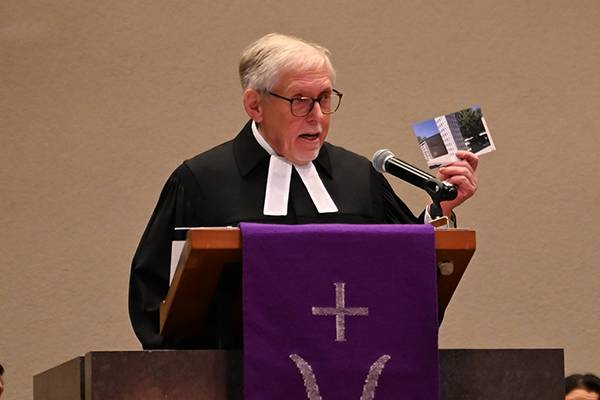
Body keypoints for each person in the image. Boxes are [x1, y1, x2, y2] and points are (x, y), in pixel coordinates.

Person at [129, 33, 479, 349]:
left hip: (350, 374)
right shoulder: (201, 181)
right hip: (236, 382)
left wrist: (441, 210)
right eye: (299, 100)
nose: (317, 116)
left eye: (324, 98)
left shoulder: (359, 177)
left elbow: (406, 278)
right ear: (255, 105)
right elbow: (157, 303)